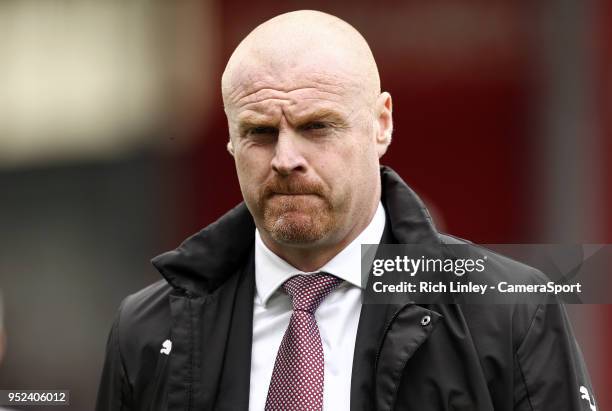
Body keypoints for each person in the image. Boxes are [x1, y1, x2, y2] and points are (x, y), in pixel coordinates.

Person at [96, 10, 596, 411]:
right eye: (260, 133)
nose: (286, 159)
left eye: (317, 127)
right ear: (229, 140)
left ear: (381, 125)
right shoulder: (146, 331)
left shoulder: (510, 312)